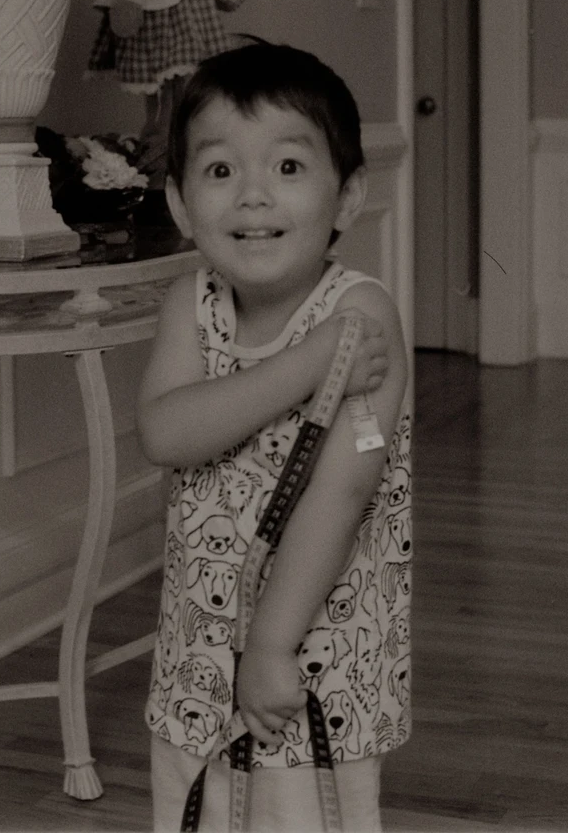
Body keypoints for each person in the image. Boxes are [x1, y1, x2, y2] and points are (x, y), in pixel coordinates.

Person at [136, 42, 411, 832]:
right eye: (220, 170)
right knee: (196, 807)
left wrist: (270, 648)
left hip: (312, 651)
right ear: (181, 203)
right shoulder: (191, 303)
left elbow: (342, 491)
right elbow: (165, 432)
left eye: (288, 167)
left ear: (347, 196)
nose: (252, 196)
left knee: (302, 814)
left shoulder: (360, 314)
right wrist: (305, 365)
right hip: (198, 646)